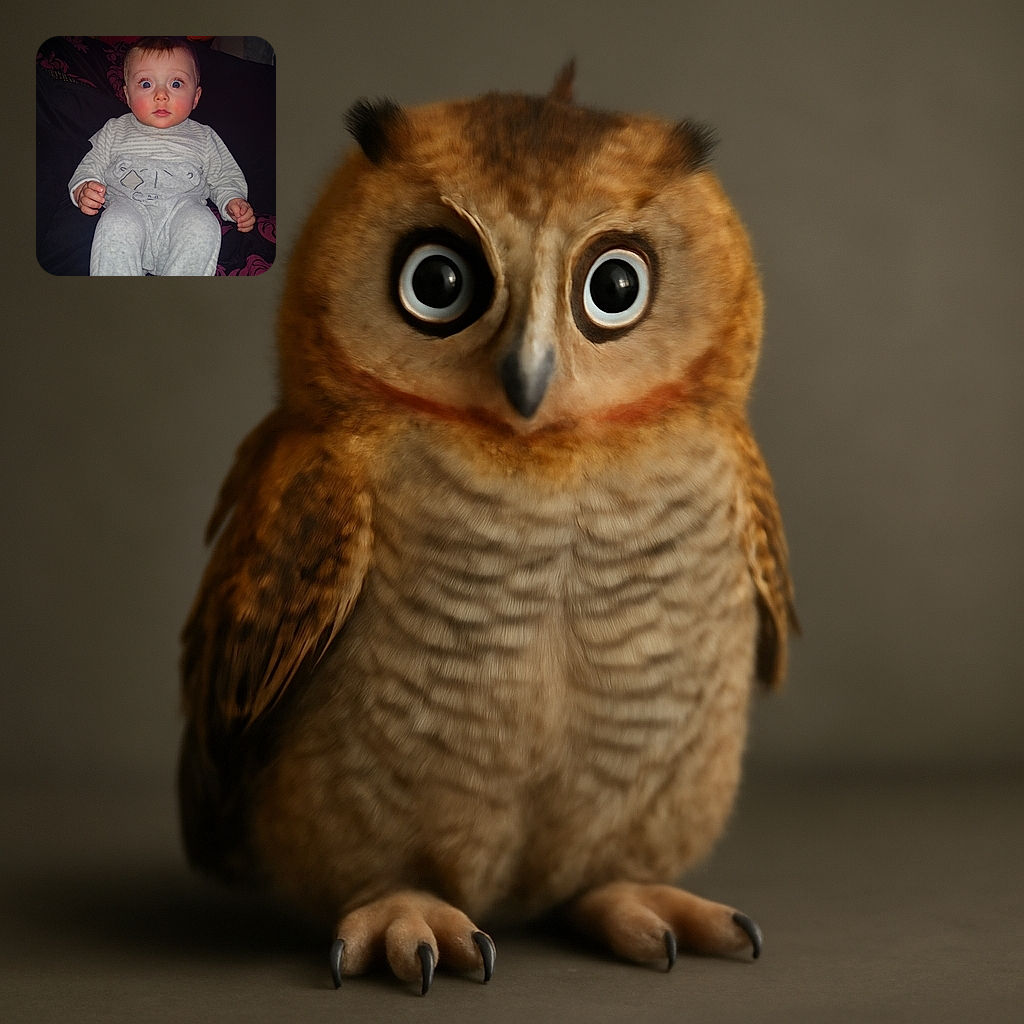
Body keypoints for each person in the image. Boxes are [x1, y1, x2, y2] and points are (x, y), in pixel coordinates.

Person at [69, 37, 254, 276]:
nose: (161, 95)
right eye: (146, 84)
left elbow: (224, 175)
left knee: (203, 224)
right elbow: (90, 165)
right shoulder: (114, 129)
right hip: (128, 207)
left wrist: (232, 200)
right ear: (127, 95)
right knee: (115, 225)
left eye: (176, 83)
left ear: (196, 97)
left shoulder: (204, 136)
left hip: (182, 211)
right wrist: (83, 188)